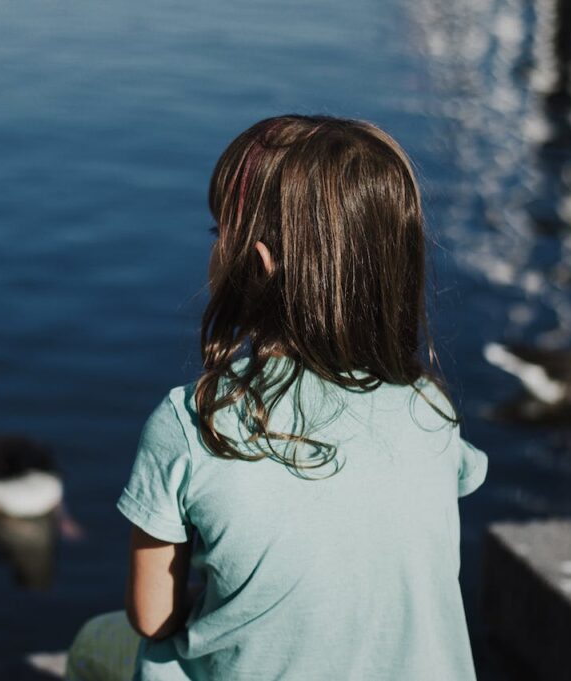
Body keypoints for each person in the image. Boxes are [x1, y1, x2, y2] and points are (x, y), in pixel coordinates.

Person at [63, 114, 489, 681]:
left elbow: (151, 615)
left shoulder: (193, 420)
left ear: (258, 267)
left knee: (96, 643)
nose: (213, 250)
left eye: (219, 235)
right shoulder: (429, 408)